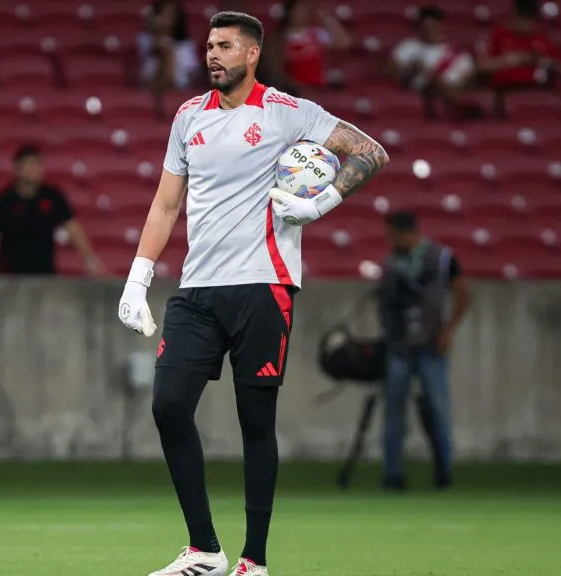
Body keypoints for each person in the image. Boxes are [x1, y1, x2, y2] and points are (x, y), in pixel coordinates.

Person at [116, 11, 389, 576]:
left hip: (264, 286)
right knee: (168, 406)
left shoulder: (290, 113)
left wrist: (321, 203)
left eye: (225, 46)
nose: (212, 55)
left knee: (255, 421)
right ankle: (204, 550)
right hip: (196, 290)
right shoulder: (188, 116)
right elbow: (167, 204)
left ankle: (253, 561)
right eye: (209, 46)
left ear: (251, 54)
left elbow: (370, 151)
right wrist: (139, 275)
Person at [376, 211, 471, 491]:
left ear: (406, 232)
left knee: (438, 410)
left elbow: (463, 293)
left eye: (392, 234)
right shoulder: (390, 262)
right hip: (398, 346)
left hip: (431, 345)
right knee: (394, 412)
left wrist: (448, 330)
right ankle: (392, 475)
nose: (389, 240)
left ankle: (444, 471)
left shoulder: (442, 258)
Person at [0, 145, 104, 277]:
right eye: (28, 165)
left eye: (37, 164)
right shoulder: (3, 201)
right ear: (17, 169)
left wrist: (90, 260)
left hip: (45, 277)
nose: (33, 169)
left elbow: (73, 229)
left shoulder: (53, 197)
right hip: (10, 278)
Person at [475, 0, 561, 119]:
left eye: (531, 19)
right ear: (514, 15)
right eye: (523, 17)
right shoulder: (498, 35)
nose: (527, 23)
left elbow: (558, 65)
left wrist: (542, 62)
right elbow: (481, 66)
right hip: (504, 90)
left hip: (537, 89)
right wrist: (509, 61)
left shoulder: (542, 39)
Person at [389, 6, 482, 119]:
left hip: (454, 88)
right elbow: (389, 70)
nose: (429, 31)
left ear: (440, 26)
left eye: (433, 27)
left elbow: (469, 78)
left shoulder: (456, 53)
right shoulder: (409, 46)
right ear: (419, 28)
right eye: (425, 27)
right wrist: (412, 68)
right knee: (434, 81)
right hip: (424, 90)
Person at [266, 0, 351, 91]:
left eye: (303, 10)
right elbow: (275, 67)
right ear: (289, 13)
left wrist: (328, 19)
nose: (301, 14)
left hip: (318, 86)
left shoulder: (316, 33)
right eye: (297, 10)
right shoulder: (280, 38)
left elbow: (344, 43)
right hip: (293, 89)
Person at [137, 0, 201, 92]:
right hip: (154, 86)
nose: (166, 18)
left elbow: (192, 73)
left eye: (171, 14)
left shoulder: (186, 45)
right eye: (163, 13)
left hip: (181, 90)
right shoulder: (145, 39)